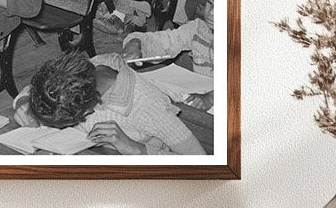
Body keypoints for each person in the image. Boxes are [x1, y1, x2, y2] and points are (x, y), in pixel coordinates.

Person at [12, 51, 204, 155]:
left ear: (88, 111)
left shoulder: (148, 106)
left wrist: (136, 148)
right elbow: (32, 90)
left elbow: (201, 166)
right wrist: (23, 103)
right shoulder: (81, 71)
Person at [124, 0, 215, 111]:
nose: (211, 13)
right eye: (210, 3)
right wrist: (135, 44)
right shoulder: (198, 29)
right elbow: (164, 41)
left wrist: (211, 98)